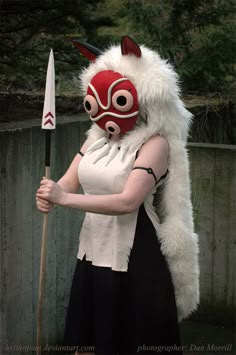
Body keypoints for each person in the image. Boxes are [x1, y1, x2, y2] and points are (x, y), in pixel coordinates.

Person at [36, 36, 199, 355]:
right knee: (89, 341)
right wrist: (50, 192)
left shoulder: (156, 144)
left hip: (135, 257)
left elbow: (127, 201)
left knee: (128, 342)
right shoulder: (95, 140)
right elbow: (68, 182)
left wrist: (63, 199)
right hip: (93, 251)